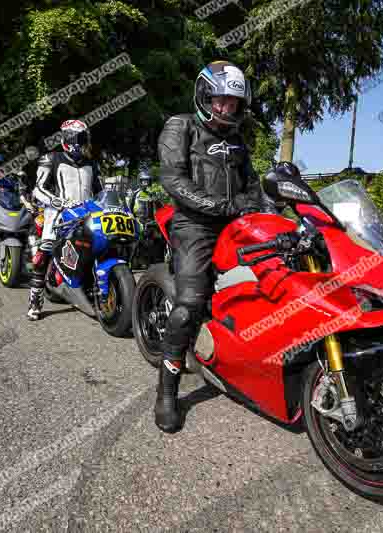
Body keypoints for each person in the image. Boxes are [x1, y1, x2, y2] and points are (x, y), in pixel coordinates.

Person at [154, 60, 261, 433]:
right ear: (203, 96)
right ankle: (167, 391)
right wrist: (221, 206)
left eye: (233, 103)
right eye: (219, 100)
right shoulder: (179, 126)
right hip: (193, 224)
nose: (225, 108)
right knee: (188, 305)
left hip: (236, 221)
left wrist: (264, 208)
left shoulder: (237, 142)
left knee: (274, 276)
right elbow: (173, 179)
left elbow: (253, 186)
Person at [26, 119, 102, 321]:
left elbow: (100, 191)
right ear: (66, 139)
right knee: (43, 255)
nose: (80, 142)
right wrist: (55, 201)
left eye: (83, 138)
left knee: (101, 245)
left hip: (87, 214)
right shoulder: (51, 158)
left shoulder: (91, 164)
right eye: (76, 138)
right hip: (59, 214)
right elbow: (38, 189)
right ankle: (35, 300)